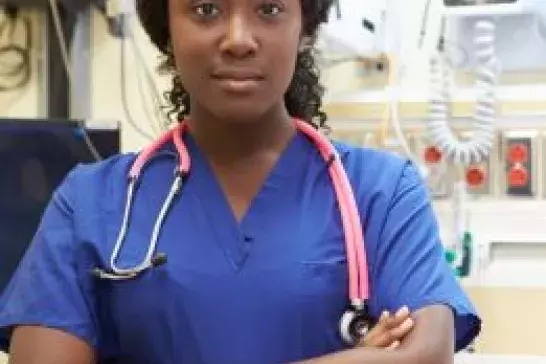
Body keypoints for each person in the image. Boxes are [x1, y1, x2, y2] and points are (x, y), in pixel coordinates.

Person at [0, 0, 481, 363]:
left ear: (305, 26)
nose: (237, 38)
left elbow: (426, 353)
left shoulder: (380, 192)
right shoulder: (91, 202)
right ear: (167, 25)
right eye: (206, 9)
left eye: (269, 9)